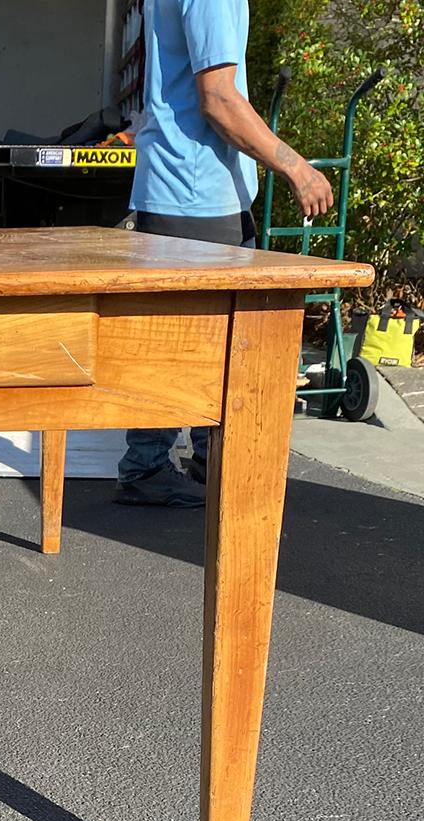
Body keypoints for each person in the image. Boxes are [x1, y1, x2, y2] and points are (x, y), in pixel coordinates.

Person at [114, 0, 334, 507]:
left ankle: (198, 465)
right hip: (196, 196)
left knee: (195, 345)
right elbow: (218, 99)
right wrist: (296, 166)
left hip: (190, 191)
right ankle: (147, 470)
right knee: (188, 346)